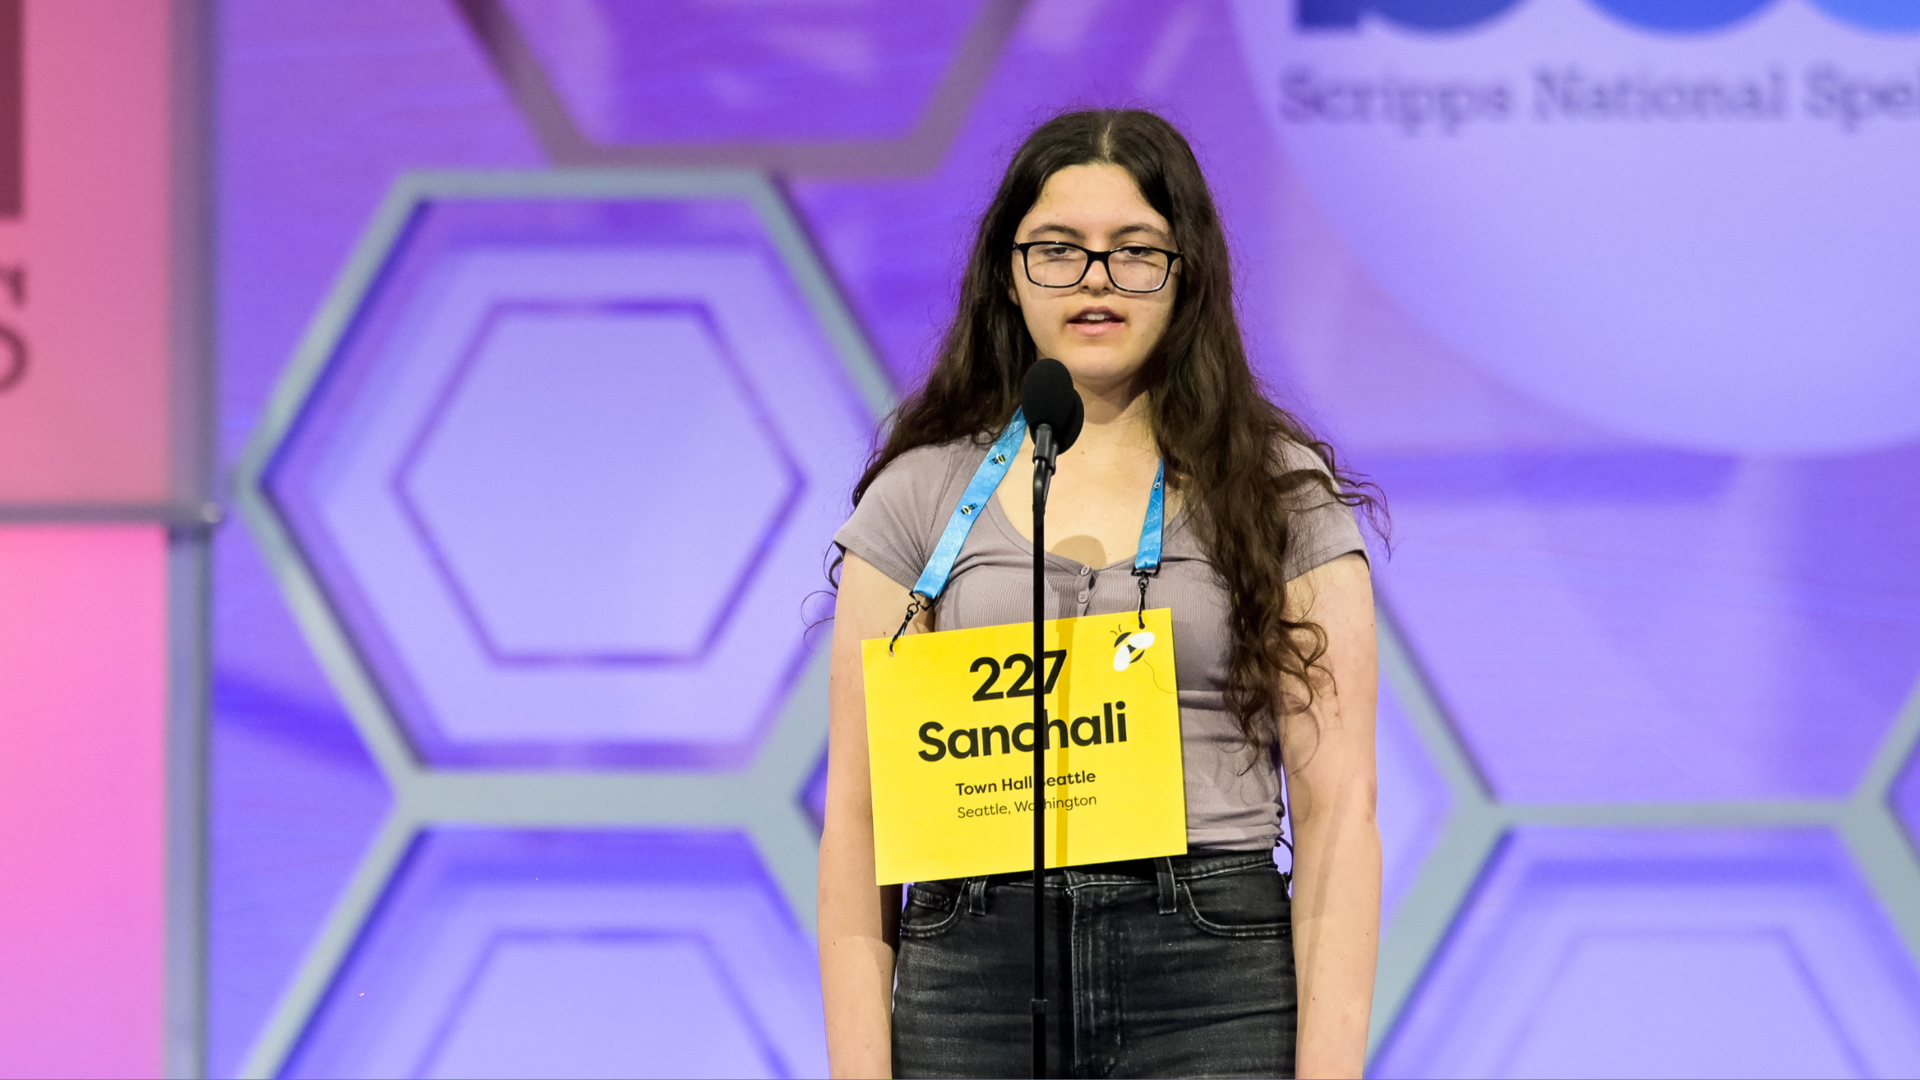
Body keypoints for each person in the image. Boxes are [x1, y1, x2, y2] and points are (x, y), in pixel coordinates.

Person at [817, 108, 1382, 1079]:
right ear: (1009, 270)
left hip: (1207, 966)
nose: (1095, 280)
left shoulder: (1275, 490)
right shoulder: (920, 494)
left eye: (1133, 252)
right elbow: (857, 825)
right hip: (973, 964)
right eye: (1059, 251)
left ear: (1186, 270)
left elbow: (1341, 813)